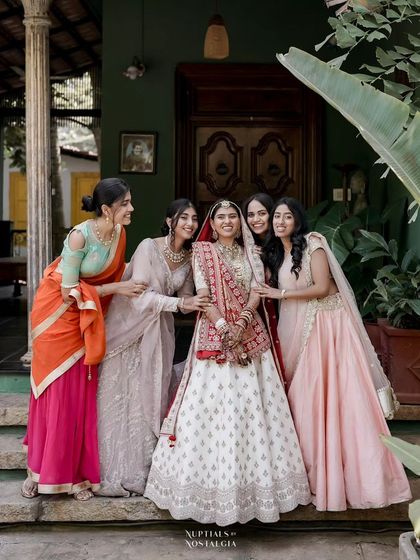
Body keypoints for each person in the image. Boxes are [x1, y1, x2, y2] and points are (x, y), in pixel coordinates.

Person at [144, 199, 311, 526]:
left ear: (240, 222)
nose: (227, 221)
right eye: (220, 217)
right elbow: (203, 295)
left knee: (254, 412)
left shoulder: (254, 253)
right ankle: (208, 493)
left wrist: (242, 323)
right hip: (213, 337)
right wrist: (224, 329)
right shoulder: (202, 253)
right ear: (213, 222)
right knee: (212, 412)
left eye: (233, 216)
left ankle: (258, 493)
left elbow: (256, 291)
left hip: (251, 335)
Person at [256, 197, 412, 511]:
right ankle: (312, 478)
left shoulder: (314, 244)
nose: (280, 221)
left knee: (324, 396)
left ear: (298, 220)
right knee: (304, 399)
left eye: (287, 216)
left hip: (325, 326)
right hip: (295, 323)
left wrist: (279, 293)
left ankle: (348, 479)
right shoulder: (276, 252)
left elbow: (323, 288)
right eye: (277, 217)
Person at [21, 178, 147, 501]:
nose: (132, 209)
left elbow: (116, 272)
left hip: (87, 317)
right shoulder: (79, 237)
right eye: (126, 204)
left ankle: (75, 476)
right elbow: (68, 290)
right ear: (107, 209)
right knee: (57, 394)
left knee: (80, 396)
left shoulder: (119, 234)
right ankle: (38, 471)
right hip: (57, 317)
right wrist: (118, 289)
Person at [96, 199, 209, 497]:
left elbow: (185, 300)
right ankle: (109, 469)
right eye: (183, 217)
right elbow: (140, 296)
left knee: (149, 396)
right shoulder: (149, 246)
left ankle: (143, 469)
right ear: (170, 220)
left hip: (159, 332)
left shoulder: (188, 258)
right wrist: (181, 303)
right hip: (127, 328)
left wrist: (197, 303)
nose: (189, 223)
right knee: (121, 397)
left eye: (194, 219)